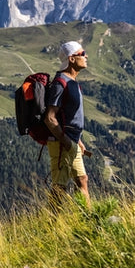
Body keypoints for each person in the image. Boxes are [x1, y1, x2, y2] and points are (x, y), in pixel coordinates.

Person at [44, 40, 90, 209]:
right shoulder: (60, 83)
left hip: (71, 142)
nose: (86, 56)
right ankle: (51, 225)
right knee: (60, 186)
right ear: (71, 59)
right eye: (82, 54)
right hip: (61, 143)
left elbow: (69, 117)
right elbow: (50, 118)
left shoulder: (72, 82)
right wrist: (66, 141)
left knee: (82, 180)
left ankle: (91, 220)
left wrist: (77, 140)